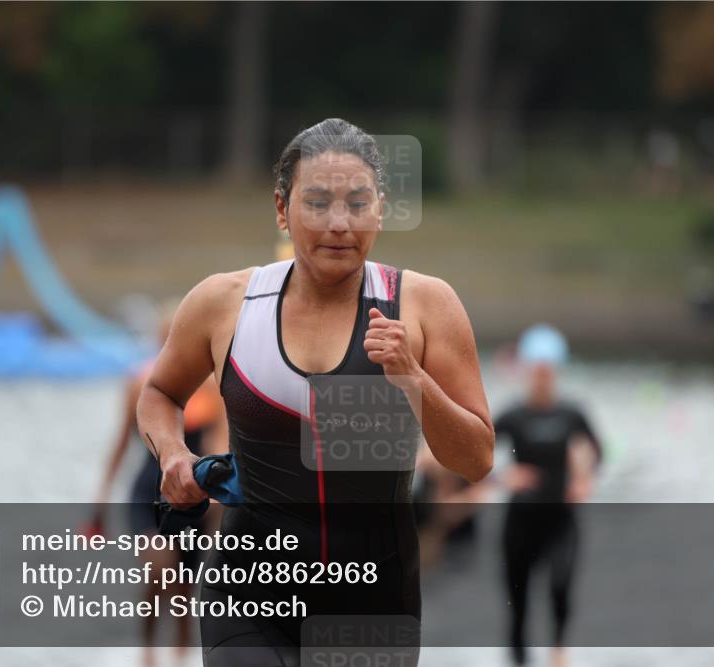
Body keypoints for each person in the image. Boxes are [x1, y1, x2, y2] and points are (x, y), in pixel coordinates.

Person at [136, 118, 494, 667]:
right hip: (247, 594)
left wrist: (412, 379)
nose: (338, 224)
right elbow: (159, 393)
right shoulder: (223, 304)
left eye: (357, 203)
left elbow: (475, 459)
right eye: (318, 202)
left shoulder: (425, 306)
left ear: (380, 209)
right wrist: (175, 454)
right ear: (282, 209)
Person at [93, 300, 227, 667]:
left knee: (184, 586)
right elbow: (120, 445)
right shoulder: (141, 384)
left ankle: (181, 655)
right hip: (147, 491)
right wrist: (99, 504)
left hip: (194, 493)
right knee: (159, 570)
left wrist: (220, 498)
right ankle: (148, 651)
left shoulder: (214, 389)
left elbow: (219, 443)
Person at [493, 324, 602, 667]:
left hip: (561, 519)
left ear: (556, 371)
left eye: (548, 370)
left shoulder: (572, 413)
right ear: (526, 370)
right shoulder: (512, 414)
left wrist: (585, 479)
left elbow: (597, 451)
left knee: (560, 587)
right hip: (520, 521)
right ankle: (518, 658)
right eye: (536, 370)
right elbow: (476, 456)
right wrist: (503, 476)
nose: (542, 377)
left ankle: (558, 651)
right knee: (518, 603)